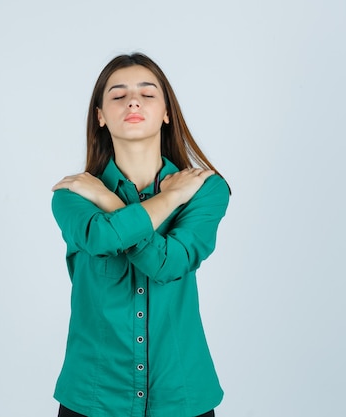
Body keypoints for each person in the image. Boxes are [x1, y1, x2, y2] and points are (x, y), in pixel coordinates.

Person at [51, 53, 230, 417]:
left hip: (181, 396)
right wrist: (170, 198)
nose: (133, 101)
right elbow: (102, 239)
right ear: (100, 116)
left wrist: (109, 199)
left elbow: (166, 263)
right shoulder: (72, 194)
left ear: (167, 112)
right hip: (93, 396)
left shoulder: (205, 190)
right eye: (118, 95)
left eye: (147, 94)